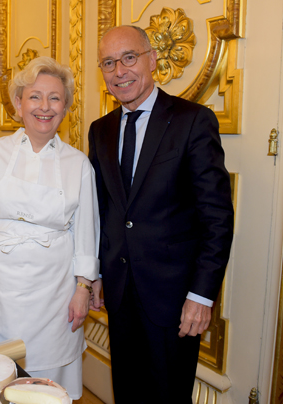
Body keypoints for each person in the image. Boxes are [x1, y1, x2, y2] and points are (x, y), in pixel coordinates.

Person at [87, 26, 234, 404]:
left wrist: (201, 295)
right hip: (119, 293)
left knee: (169, 395)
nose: (119, 71)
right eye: (108, 63)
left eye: (129, 58)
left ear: (152, 60)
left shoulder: (193, 120)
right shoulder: (99, 131)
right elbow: (102, 209)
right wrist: (97, 273)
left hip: (174, 298)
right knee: (129, 392)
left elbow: (216, 217)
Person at [0, 56, 101, 399]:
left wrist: (83, 288)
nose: (45, 107)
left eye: (55, 98)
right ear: (18, 104)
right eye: (35, 96)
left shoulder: (78, 164)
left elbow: (86, 234)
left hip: (55, 295)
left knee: (48, 388)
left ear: (65, 107)